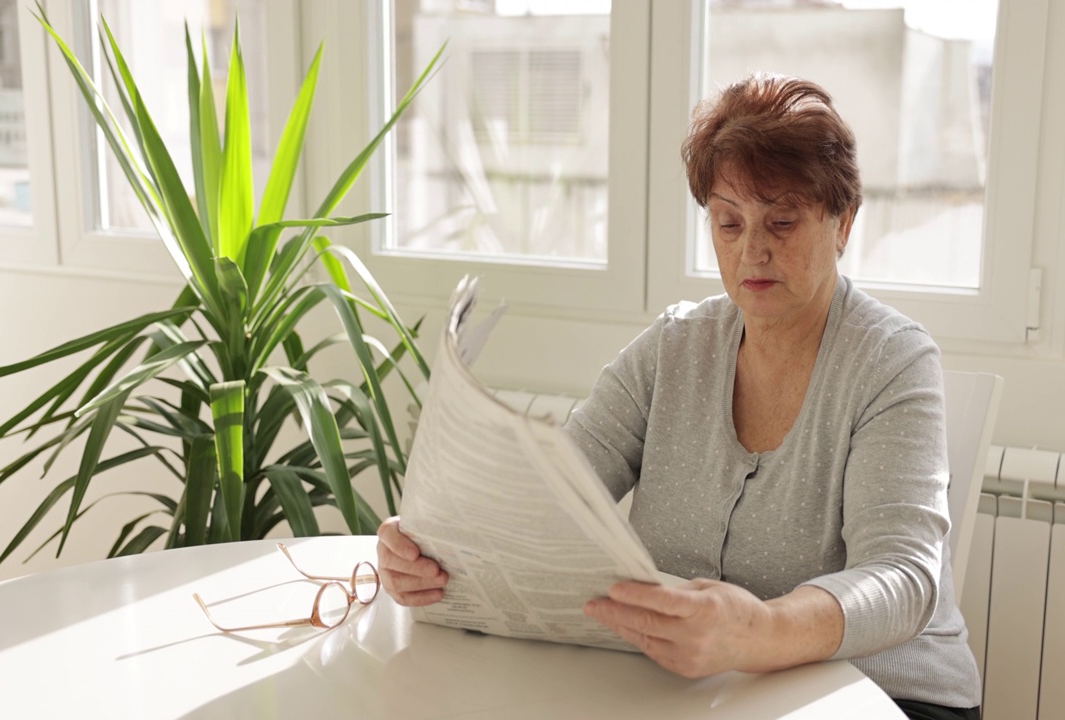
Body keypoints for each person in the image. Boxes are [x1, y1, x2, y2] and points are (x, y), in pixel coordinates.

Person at [377, 73, 981, 720]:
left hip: (886, 697)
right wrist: (433, 544)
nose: (753, 248)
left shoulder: (892, 360)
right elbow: (552, 500)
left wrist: (755, 631)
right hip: (702, 697)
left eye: (782, 220)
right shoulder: (674, 348)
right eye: (728, 222)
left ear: (844, 223)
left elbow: (903, 578)